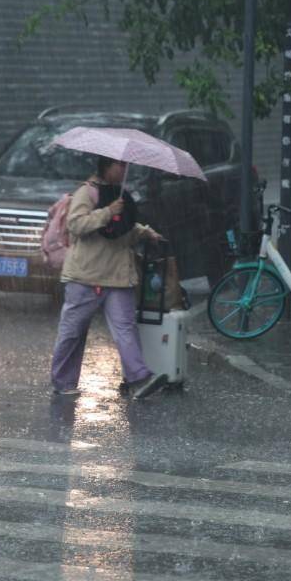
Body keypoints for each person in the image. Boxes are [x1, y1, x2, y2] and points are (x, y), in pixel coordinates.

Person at [50, 156, 169, 400]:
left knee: (125, 328)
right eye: (120, 165)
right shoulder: (87, 192)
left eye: (126, 165)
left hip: (117, 276)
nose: (125, 169)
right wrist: (107, 211)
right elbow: (76, 225)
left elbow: (122, 227)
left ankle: (139, 378)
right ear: (106, 166)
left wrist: (145, 232)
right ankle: (62, 381)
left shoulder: (121, 194)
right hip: (86, 276)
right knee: (73, 331)